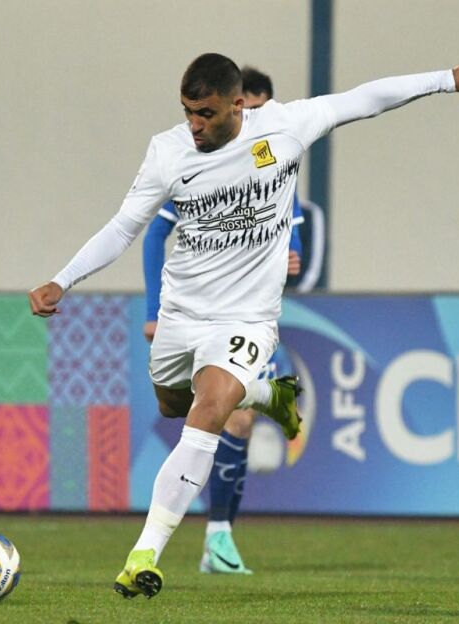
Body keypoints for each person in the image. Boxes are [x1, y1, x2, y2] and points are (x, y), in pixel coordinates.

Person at [28, 53, 459, 599]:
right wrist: (63, 279)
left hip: (247, 319)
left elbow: (364, 99)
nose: (194, 124)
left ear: (238, 105)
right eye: (187, 112)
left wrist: (445, 80)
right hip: (182, 314)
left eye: (205, 113)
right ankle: (269, 394)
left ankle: (144, 554)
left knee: (208, 411)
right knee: (173, 404)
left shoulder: (284, 127)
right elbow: (124, 227)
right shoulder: (168, 152)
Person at [141, 66, 304, 575]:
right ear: (236, 105)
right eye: (249, 106)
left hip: (251, 313)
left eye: (263, 107)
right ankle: (267, 396)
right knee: (187, 406)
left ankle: (219, 536)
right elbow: (152, 234)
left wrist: (294, 258)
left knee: (234, 418)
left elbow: (296, 242)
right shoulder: (203, 163)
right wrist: (153, 311)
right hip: (201, 313)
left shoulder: (277, 159)